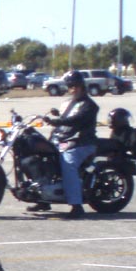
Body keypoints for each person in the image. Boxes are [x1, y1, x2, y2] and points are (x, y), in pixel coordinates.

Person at [35, 69, 99, 219]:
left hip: (82, 142)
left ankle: (76, 205)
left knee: (68, 162)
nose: (73, 89)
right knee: (40, 157)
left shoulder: (90, 105)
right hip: (63, 140)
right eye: (70, 86)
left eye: (76, 86)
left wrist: (57, 121)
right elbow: (66, 119)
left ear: (82, 86)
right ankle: (42, 199)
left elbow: (76, 120)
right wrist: (56, 116)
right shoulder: (68, 103)